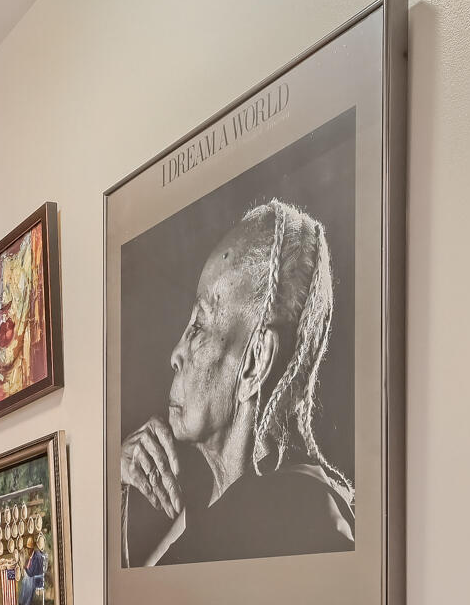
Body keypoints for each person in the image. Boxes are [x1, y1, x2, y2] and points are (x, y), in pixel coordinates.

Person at [120, 198, 354, 567]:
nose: (175, 353)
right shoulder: (204, 514)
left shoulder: (302, 521)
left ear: (255, 363)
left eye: (199, 326)